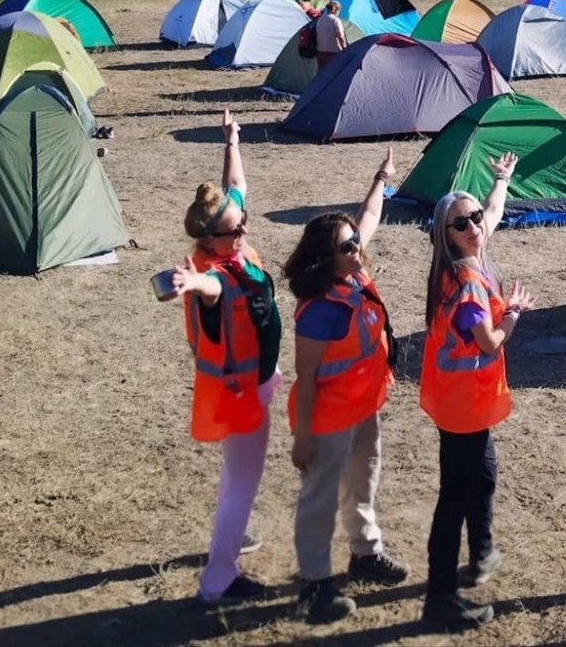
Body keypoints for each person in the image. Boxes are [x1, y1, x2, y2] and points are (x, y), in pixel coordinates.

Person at [282, 148, 410, 624]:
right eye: (347, 247)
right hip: (327, 419)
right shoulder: (319, 311)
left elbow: (369, 215)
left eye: (355, 242)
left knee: (363, 482)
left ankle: (365, 553)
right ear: (325, 259)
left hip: (364, 408)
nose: (357, 248)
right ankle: (314, 584)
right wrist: (303, 438)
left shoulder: (355, 278)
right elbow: (307, 379)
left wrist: (382, 177)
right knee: (320, 498)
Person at [418, 153, 536, 631]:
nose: (473, 225)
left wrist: (501, 179)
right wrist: (513, 314)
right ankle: (440, 599)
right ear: (446, 235)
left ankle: (482, 551)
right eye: (460, 223)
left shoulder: (469, 254)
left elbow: (493, 212)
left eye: (473, 218)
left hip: (466, 400)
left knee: (483, 474)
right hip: (461, 404)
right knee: (454, 497)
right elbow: (488, 341)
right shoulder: (466, 282)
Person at [170, 109, 282, 608]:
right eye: (235, 232)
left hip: (255, 379)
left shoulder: (229, 242)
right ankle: (218, 580)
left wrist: (232, 141)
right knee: (243, 482)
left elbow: (235, 188)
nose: (244, 234)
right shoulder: (214, 272)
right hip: (239, 393)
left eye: (243, 227)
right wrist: (191, 282)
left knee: (237, 476)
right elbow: (210, 288)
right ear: (207, 240)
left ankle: (230, 535)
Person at [315, 0, 347, 70]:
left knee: (322, 72)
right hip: (333, 52)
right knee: (334, 72)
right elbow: (341, 37)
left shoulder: (320, 20)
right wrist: (345, 49)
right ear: (337, 10)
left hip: (320, 51)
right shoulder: (336, 20)